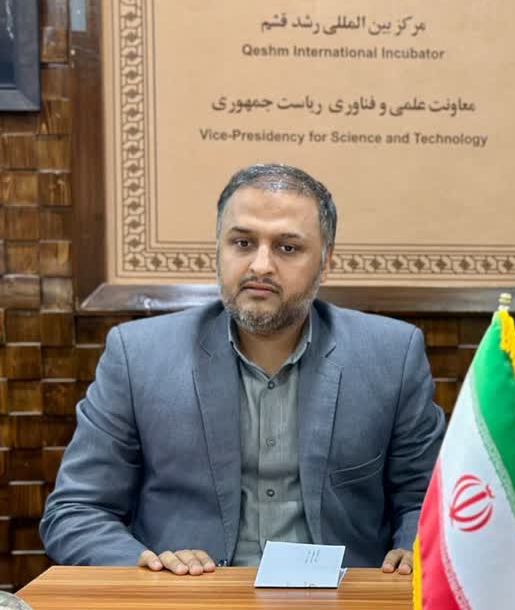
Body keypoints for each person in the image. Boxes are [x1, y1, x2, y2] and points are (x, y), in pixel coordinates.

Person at [40, 164, 445, 576]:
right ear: (219, 250)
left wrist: (413, 548)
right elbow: (76, 511)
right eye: (243, 243)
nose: (261, 266)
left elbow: (426, 499)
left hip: (344, 601)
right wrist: (147, 566)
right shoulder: (139, 356)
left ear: (325, 263)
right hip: (190, 599)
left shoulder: (392, 355)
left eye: (288, 248)